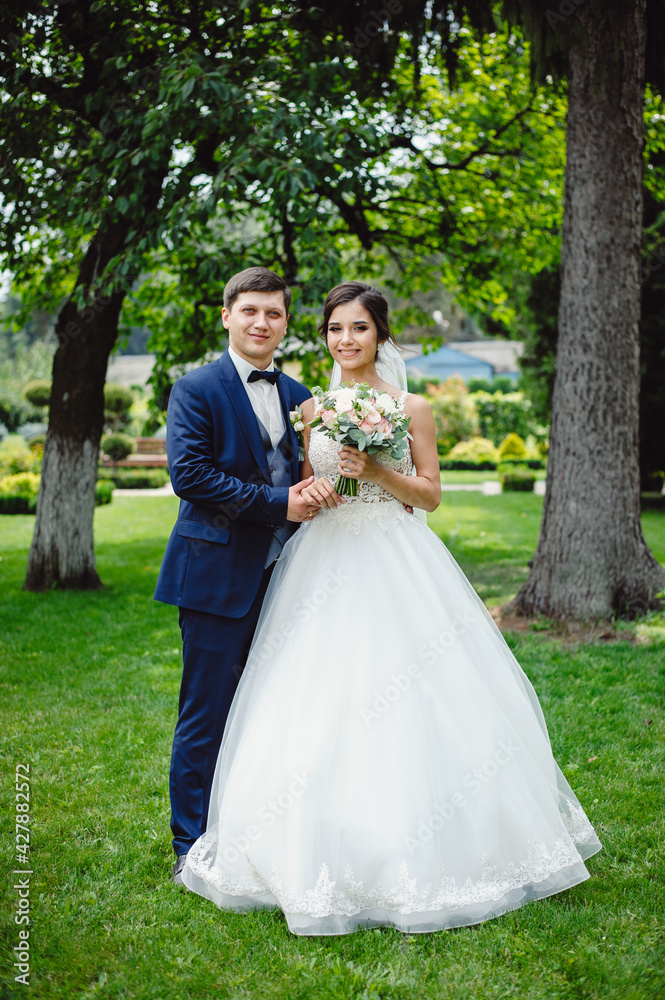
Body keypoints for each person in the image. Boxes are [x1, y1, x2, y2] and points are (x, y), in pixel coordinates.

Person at [181, 281, 602, 934]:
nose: (345, 340)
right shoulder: (310, 406)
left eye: (358, 328)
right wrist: (316, 488)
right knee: (309, 696)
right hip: (320, 559)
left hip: (395, 560)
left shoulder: (412, 405)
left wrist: (376, 472)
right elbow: (294, 479)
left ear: (380, 335)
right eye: (334, 329)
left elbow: (430, 497)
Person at [153, 267, 320, 886]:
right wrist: (279, 505)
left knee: (273, 710)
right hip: (216, 578)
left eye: (273, 313)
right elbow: (191, 477)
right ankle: (190, 844)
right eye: (249, 310)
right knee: (207, 714)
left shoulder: (302, 394)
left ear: (284, 322)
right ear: (227, 316)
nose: (261, 323)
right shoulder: (196, 389)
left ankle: (257, 832)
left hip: (290, 578)